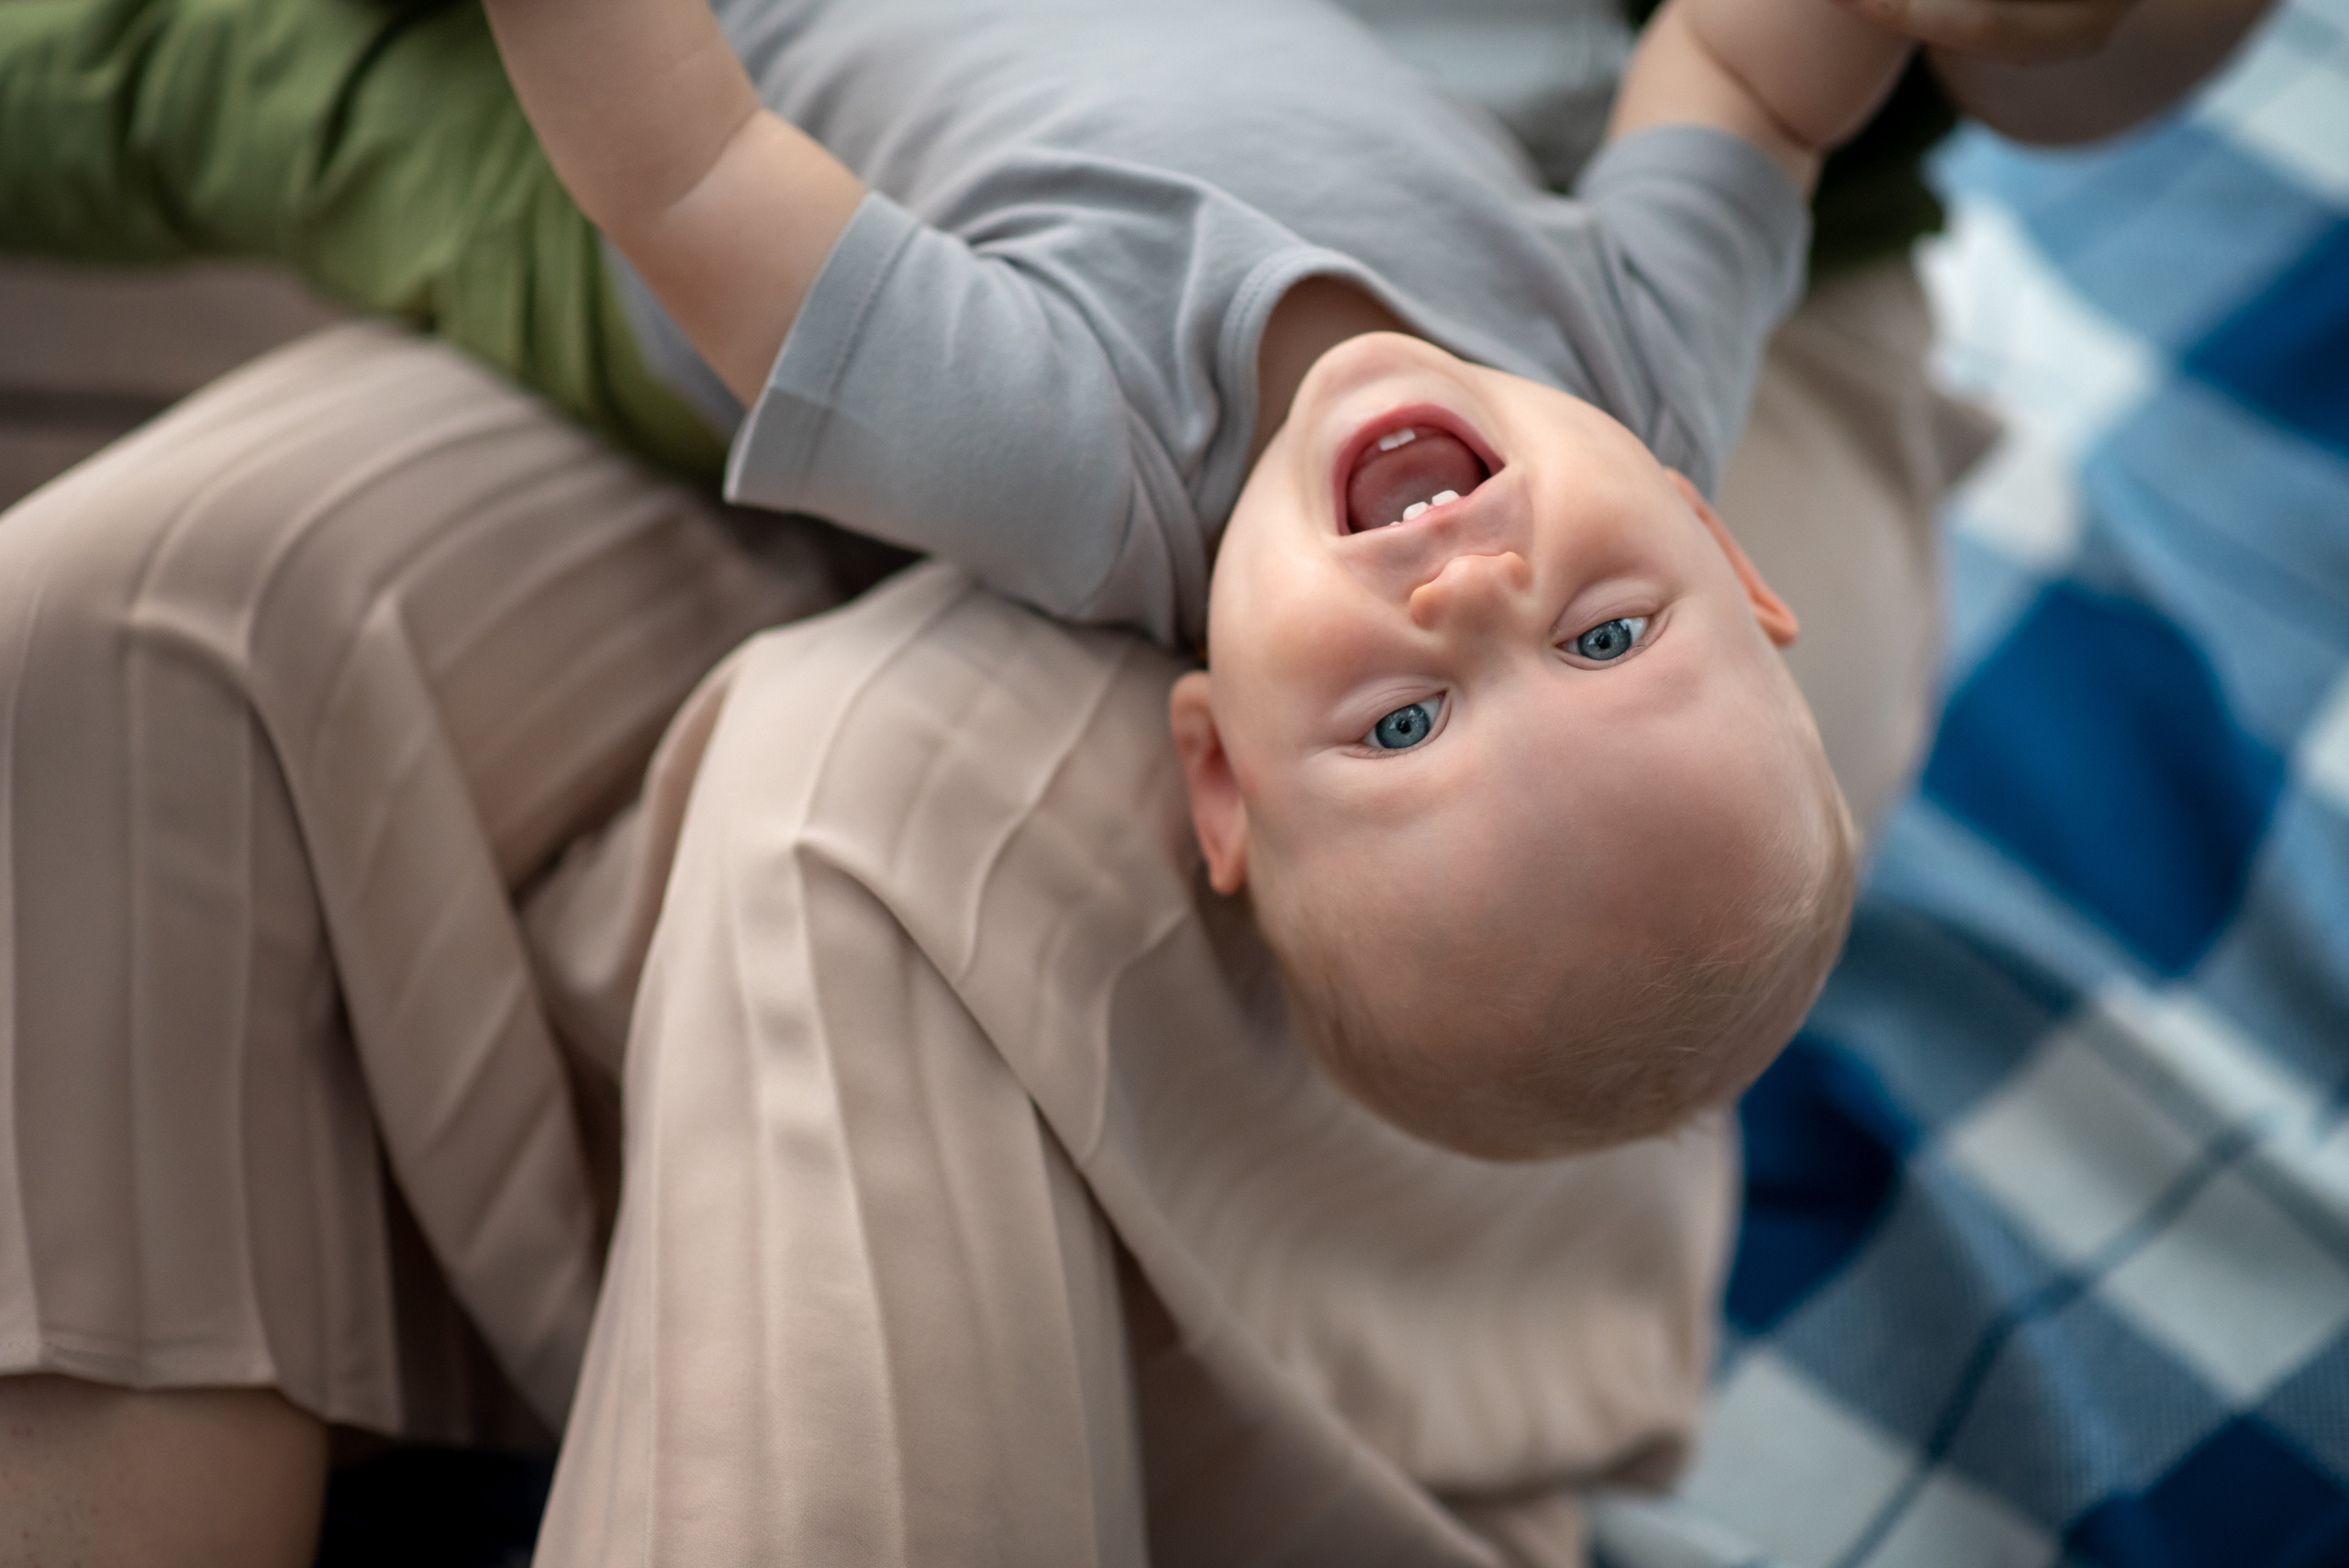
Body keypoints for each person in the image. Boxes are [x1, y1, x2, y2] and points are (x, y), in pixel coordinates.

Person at [0, 0, 2276, 1562]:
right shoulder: (1631, 362)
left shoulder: (1076, 448)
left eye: (1396, 724)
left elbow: (690, 178)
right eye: (1604, 633)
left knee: (853, 819)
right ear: (1713, 544)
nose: (1465, 593)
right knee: (101, 606)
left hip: (789, 93)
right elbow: (1754, 78)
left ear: (1211, 764)